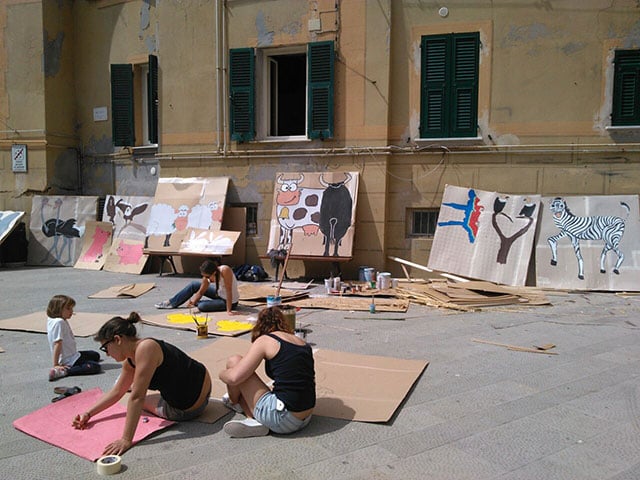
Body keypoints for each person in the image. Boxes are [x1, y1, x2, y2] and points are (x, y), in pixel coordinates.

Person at [72, 312, 212, 455]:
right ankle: (138, 385)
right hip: (203, 385)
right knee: (135, 392)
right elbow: (117, 392)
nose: (107, 354)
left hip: (189, 408)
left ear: (117, 339)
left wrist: (126, 439)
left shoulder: (146, 349)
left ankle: (141, 388)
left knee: (137, 401)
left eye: (105, 348)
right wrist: (88, 414)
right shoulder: (134, 356)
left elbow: (137, 398)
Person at [219, 306, 315, 438]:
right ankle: (255, 419)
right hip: (306, 417)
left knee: (234, 362)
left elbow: (234, 378)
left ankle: (238, 406)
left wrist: (222, 374)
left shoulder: (265, 340)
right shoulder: (302, 343)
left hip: (282, 418)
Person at [155, 258, 239, 314]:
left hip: (230, 301)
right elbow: (201, 291)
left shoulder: (225, 270)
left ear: (213, 273)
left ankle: (201, 304)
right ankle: (172, 302)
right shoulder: (207, 277)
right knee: (194, 285)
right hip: (219, 294)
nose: (206, 278)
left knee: (202, 306)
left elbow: (229, 290)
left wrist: (229, 310)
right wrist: (193, 302)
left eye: (207, 276)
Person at [46, 295, 101, 381]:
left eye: (72, 308)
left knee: (95, 355)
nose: (71, 311)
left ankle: (75, 365)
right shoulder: (59, 322)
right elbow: (57, 343)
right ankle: (66, 371)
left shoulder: (55, 319)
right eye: (68, 309)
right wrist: (56, 364)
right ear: (58, 309)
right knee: (95, 367)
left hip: (73, 354)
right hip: (68, 360)